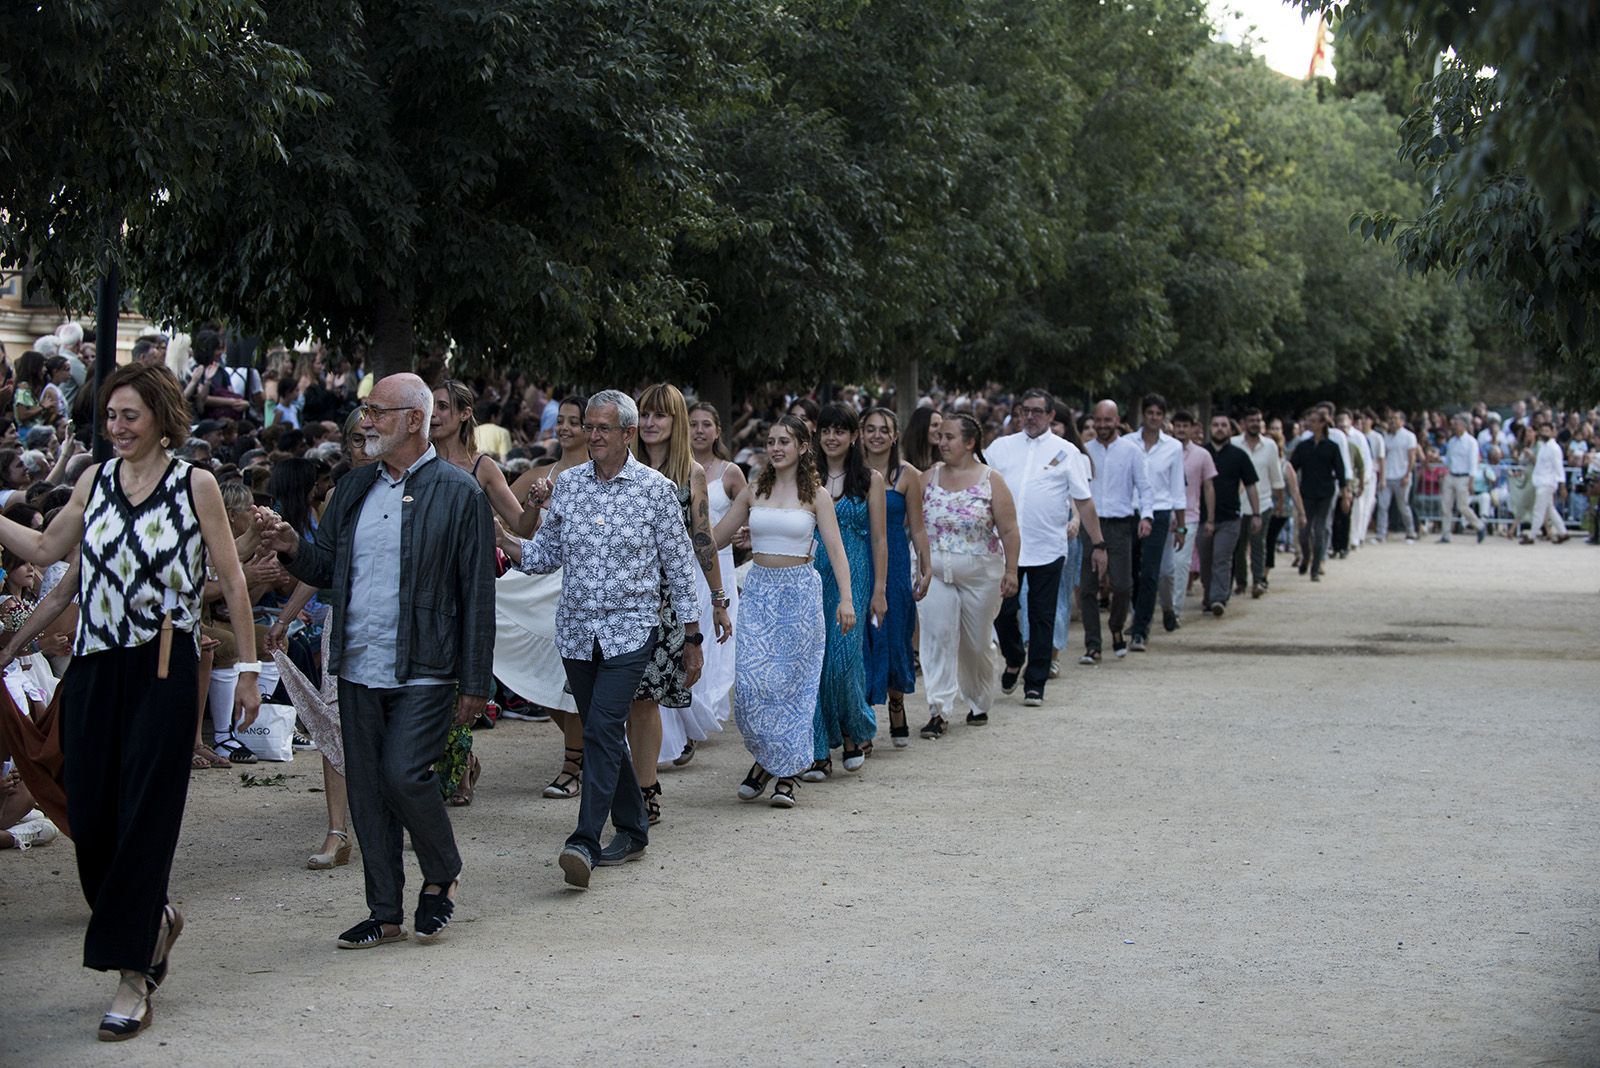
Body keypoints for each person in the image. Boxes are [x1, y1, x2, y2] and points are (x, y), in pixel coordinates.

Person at [0, 362, 259, 1040]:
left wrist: (250, 669)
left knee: (145, 818)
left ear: (160, 418)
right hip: (94, 669)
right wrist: (11, 644)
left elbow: (232, 581)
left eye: (129, 416)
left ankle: (133, 976)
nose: (116, 427)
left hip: (163, 668)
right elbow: (47, 553)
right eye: (110, 416)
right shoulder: (93, 480)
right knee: (88, 817)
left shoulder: (195, 484)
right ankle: (157, 920)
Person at [260, 372, 496, 949]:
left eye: (377, 411)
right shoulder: (353, 488)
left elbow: (477, 593)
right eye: (365, 411)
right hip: (358, 662)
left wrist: (475, 680)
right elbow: (324, 568)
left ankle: (442, 872)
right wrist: (292, 547)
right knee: (366, 792)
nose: (365, 421)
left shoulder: (460, 492)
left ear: (414, 420)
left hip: (428, 664)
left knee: (403, 774)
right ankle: (385, 913)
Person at [503, 389, 701, 889]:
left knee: (600, 730)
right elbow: (544, 556)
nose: (591, 435)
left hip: (631, 632)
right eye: (588, 426)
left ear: (627, 434)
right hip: (576, 635)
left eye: (602, 428)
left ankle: (584, 841)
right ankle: (633, 829)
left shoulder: (655, 490)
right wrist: (503, 538)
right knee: (603, 731)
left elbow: (681, 568)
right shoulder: (568, 485)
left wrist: (693, 637)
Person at [712, 416, 854, 806]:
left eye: (784, 441)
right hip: (759, 591)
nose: (776, 448)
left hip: (799, 593)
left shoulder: (817, 496)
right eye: (771, 441)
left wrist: (846, 599)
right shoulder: (754, 490)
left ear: (803, 447)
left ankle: (786, 775)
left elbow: (836, 550)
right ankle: (765, 759)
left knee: (794, 688)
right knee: (752, 687)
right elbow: (715, 539)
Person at [629, 383, 732, 822]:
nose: (650, 423)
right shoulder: (620, 464)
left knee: (646, 698)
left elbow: (702, 539)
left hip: (666, 602)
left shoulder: (690, 473)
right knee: (614, 701)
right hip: (616, 596)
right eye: (644, 414)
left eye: (660, 415)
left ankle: (645, 789)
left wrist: (719, 600)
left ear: (676, 422)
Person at [984, 389, 1104, 699]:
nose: (1030, 416)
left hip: (1048, 547)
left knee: (1041, 616)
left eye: (1037, 411)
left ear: (1051, 415)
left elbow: (1084, 501)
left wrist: (1099, 543)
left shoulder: (1067, 452)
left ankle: (1035, 682)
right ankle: (1014, 657)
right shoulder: (1000, 448)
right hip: (1005, 548)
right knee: (1002, 612)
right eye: (1025, 410)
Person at [499, 396, 589, 797]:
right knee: (549, 681)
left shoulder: (598, 478)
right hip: (538, 585)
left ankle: (573, 766)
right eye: (561, 420)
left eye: (574, 421)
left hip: (580, 588)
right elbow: (515, 525)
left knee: (571, 678)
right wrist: (535, 504)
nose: (564, 428)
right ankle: (582, 752)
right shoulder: (538, 474)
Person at [917, 412, 1019, 736]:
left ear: (970, 442)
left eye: (949, 437)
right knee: (937, 637)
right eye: (940, 436)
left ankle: (978, 701)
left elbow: (1009, 529)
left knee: (975, 644)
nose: (942, 442)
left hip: (981, 573)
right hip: (934, 572)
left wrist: (1012, 570)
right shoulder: (928, 477)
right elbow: (912, 522)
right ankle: (938, 709)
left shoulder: (992, 480)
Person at [806, 403, 886, 776]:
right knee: (816, 662)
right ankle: (819, 748)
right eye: (826, 430)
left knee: (844, 662)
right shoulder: (807, 476)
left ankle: (855, 729)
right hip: (811, 573)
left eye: (840, 430)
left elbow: (880, 539)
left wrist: (879, 589)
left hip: (853, 573)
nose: (831, 437)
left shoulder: (870, 479)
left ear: (854, 436)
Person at [860, 407, 930, 744]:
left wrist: (926, 567)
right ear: (860, 434)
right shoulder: (850, 473)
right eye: (870, 429)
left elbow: (917, 528)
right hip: (858, 558)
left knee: (894, 632)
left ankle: (897, 702)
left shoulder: (908, 475)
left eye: (883, 430)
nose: (877, 435)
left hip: (897, 563)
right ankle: (861, 718)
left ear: (894, 436)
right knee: (861, 638)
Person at [685, 400, 746, 745]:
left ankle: (704, 710)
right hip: (684, 566)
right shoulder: (677, 468)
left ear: (717, 431)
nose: (699, 430)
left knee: (713, 642)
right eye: (693, 423)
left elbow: (749, 509)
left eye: (706, 424)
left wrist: (743, 532)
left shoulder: (730, 472)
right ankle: (688, 714)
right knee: (689, 637)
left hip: (718, 565)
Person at [1079, 399, 1154, 661]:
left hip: (1121, 525)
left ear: (1117, 420)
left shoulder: (1132, 451)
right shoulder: (1084, 452)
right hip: (1090, 524)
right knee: (1088, 587)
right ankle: (1093, 645)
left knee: (1122, 586)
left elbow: (1145, 487)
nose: (1102, 425)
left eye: (1107, 420)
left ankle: (1116, 627)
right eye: (1098, 420)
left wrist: (1147, 516)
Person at [1129, 394, 1183, 652]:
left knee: (1150, 571)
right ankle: (1136, 614)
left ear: (1163, 417)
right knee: (1130, 572)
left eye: (1158, 414)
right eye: (1149, 413)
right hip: (1130, 511)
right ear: (1143, 414)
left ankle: (1141, 629)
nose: (1153, 418)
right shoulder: (1128, 443)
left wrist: (1180, 525)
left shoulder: (1173, 447)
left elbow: (1177, 489)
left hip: (1160, 512)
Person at [1198, 413, 1260, 616]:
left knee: (1221, 558)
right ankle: (1209, 594)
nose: (1219, 428)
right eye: (1215, 425)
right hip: (1202, 518)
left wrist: (1256, 513)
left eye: (1224, 425)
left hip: (1230, 518)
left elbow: (1250, 485)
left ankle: (1218, 598)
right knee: (1206, 561)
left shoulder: (1239, 456)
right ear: (1209, 428)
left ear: (1230, 430)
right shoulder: (1201, 454)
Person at [1160, 411, 1214, 633]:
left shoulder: (1202, 455)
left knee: (1181, 565)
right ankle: (1164, 607)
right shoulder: (1163, 450)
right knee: (1164, 568)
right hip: (1163, 515)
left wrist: (1210, 518)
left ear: (1193, 428)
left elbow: (1208, 487)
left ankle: (1174, 611)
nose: (1181, 430)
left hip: (1190, 517)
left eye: (1186, 426)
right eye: (1178, 425)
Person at [1231, 407, 1285, 598]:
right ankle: (1241, 582)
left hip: (1262, 502)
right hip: (1238, 504)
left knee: (1258, 543)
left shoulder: (1269, 446)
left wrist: (1280, 501)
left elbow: (1276, 476)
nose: (1255, 424)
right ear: (1244, 423)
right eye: (1251, 420)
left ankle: (1258, 580)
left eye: (1258, 420)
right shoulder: (1234, 444)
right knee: (1239, 546)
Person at [1289, 408, 1348, 580]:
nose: (1310, 424)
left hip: (1325, 493)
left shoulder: (1331, 447)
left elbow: (1341, 472)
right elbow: (1292, 467)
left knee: (1320, 530)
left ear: (1322, 424)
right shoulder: (1303, 446)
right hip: (1306, 492)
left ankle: (1315, 568)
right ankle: (1306, 556)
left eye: (1314, 421)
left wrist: (1345, 495)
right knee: (1304, 532)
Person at [1440, 414, 1487, 543]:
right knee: (1446, 506)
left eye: (1457, 424)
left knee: (1463, 506)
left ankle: (1479, 526)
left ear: (1464, 426)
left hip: (1464, 477)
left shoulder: (1471, 442)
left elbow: (1473, 463)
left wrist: (1471, 481)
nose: (1454, 427)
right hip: (1451, 475)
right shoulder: (1452, 441)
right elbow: (1448, 459)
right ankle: (1445, 534)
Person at [1525, 418, 1571, 544]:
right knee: (1550, 510)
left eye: (1547, 431)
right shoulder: (1543, 446)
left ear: (1552, 432)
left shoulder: (1554, 448)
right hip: (1541, 481)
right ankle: (1563, 532)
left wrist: (1562, 485)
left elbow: (1559, 468)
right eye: (1543, 430)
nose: (1544, 433)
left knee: (1538, 510)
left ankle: (1532, 536)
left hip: (1547, 482)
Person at [1377, 409, 1420, 543]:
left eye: (1395, 419)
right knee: (1383, 506)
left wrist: (1407, 475)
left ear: (1402, 421)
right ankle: (1381, 534)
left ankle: (1410, 531)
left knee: (1403, 506)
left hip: (1401, 475)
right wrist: (1382, 476)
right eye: (1391, 419)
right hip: (1388, 475)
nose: (1392, 421)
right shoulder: (1386, 436)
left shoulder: (1409, 436)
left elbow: (1412, 457)